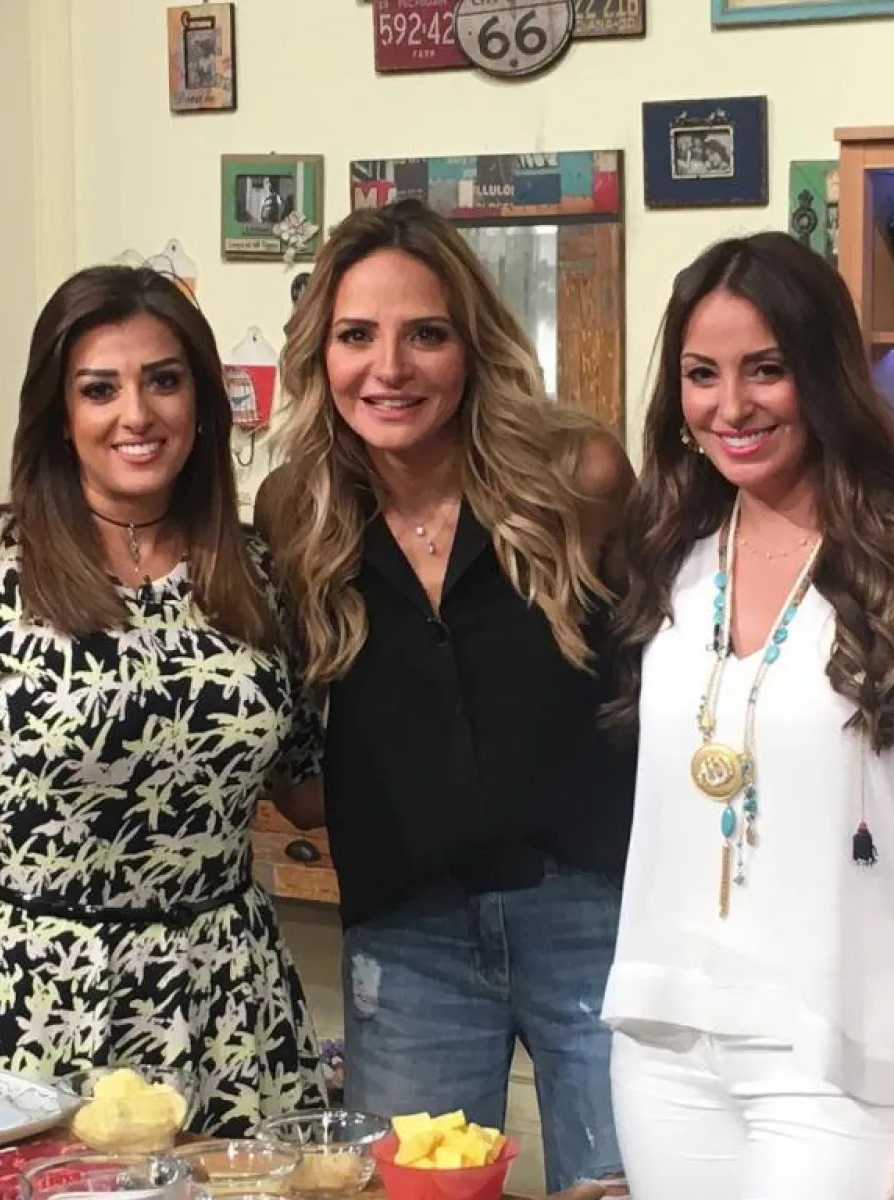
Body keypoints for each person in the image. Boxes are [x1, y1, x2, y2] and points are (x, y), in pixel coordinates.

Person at [0, 265, 325, 1136]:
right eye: (100, 389)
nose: (136, 414)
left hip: (230, 1006)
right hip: (39, 1008)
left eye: (163, 381)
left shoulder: (257, 572)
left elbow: (307, 787)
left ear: (202, 403)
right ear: (61, 414)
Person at [599, 231, 894, 1200]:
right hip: (667, 1051)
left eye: (767, 369)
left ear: (826, 372)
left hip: (848, 1057)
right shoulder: (675, 557)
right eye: (702, 375)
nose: (731, 406)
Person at [256, 199, 636, 1193]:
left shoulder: (579, 476)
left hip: (594, 908)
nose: (389, 367)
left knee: (622, 1183)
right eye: (357, 335)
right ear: (320, 353)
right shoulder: (296, 510)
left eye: (425, 334)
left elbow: (661, 675)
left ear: (474, 346)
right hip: (408, 928)